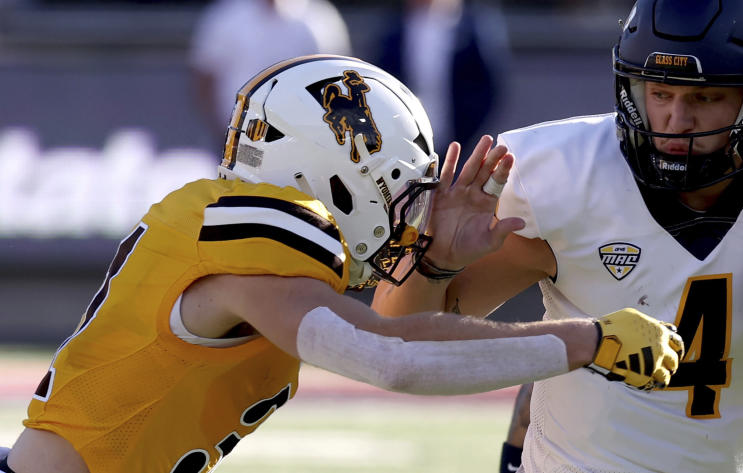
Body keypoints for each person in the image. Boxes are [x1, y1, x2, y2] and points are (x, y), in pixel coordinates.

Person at [0, 56, 685, 473]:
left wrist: (436, 267)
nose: (408, 223)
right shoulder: (259, 247)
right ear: (336, 180)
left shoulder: (227, 225)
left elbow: (397, 332)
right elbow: (390, 356)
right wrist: (588, 340)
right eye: (402, 199)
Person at [373, 0, 743, 471]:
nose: (674, 122)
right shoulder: (566, 177)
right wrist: (432, 262)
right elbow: (394, 347)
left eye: (705, 98)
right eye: (658, 92)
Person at [189, 0, 352, 148]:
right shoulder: (225, 16)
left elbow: (335, 77)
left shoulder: (321, 19)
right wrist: (222, 131)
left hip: (303, 142)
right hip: (237, 139)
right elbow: (205, 77)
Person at [375, 0, 508, 150]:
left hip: (457, 141)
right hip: (406, 142)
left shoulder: (470, 28)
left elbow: (486, 88)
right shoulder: (393, 30)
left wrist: (465, 133)